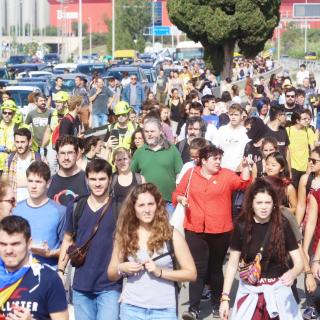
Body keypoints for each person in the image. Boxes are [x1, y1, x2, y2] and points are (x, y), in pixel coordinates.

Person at [172, 144, 251, 319]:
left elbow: (243, 184)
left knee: (215, 268)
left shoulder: (226, 175)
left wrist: (245, 169)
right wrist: (180, 198)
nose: (218, 162)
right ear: (203, 160)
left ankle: (217, 303)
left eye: (219, 158)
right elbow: (177, 192)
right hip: (194, 228)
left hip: (220, 229)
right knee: (197, 268)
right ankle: (193, 308)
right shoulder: (191, 173)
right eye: (214, 158)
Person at [108, 183, 197, 320]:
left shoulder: (172, 234)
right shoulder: (126, 234)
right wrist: (122, 267)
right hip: (131, 308)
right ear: (133, 209)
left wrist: (160, 272)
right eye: (141, 205)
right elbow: (111, 273)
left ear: (158, 206)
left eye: (151, 204)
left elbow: (191, 273)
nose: (147, 210)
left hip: (164, 310)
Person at [219, 178, 303, 320]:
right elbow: (232, 265)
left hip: (279, 292)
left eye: (268, 203)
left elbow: (298, 261)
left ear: (274, 204)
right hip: (250, 292)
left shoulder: (282, 225)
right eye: (259, 203)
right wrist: (225, 299)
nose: (263, 207)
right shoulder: (241, 226)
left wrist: (293, 273)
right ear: (251, 204)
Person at [58, 159, 121, 320]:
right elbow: (67, 239)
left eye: (102, 179)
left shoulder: (120, 207)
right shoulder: (76, 206)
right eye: (93, 179)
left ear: (110, 179)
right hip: (81, 286)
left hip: (110, 286)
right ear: (86, 180)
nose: (97, 184)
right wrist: (60, 271)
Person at [0, 215, 68, 320]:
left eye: (15, 244)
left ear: (29, 243)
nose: (8, 251)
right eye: (3, 244)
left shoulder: (49, 278)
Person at [13, 161, 66, 267]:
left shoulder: (59, 211)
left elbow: (67, 248)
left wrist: (50, 253)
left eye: (38, 182)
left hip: (48, 275)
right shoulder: (15, 209)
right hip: (20, 275)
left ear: (48, 183)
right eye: (30, 181)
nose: (33, 186)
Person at [131, 117, 183, 214]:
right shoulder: (139, 152)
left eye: (152, 131)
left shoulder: (172, 150)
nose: (149, 134)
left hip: (168, 203)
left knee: (168, 229)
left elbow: (179, 175)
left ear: (160, 131)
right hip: (146, 204)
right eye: (146, 131)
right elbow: (132, 176)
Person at [48, 135, 89, 207]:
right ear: (57, 156)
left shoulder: (87, 179)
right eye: (62, 153)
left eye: (70, 153)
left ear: (77, 154)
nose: (66, 157)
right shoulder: (49, 182)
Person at [3, 128, 41, 202]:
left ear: (30, 142)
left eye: (22, 142)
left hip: (34, 205)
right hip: (14, 206)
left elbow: (46, 184)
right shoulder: (9, 159)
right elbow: (4, 184)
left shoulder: (39, 159)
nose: (19, 145)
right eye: (17, 142)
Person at [213, 103, 249, 171]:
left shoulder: (245, 132)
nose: (233, 117)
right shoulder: (222, 130)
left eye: (236, 115)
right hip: (222, 169)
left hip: (238, 170)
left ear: (241, 116)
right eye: (231, 115)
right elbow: (214, 148)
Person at [110, 147, 145, 214]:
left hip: (135, 219)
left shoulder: (140, 179)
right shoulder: (111, 179)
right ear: (115, 162)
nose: (122, 162)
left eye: (125, 159)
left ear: (130, 160)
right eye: (119, 160)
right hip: (116, 220)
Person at [296, 147, 320, 226]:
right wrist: (296, 231)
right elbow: (301, 206)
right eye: (309, 160)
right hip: (307, 227)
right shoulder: (305, 179)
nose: (310, 163)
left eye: (313, 161)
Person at [0, 100, 20, 173]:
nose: (7, 115)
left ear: (14, 114)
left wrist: (9, 150)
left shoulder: (17, 127)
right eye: (4, 112)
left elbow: (21, 146)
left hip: (11, 164)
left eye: (10, 113)